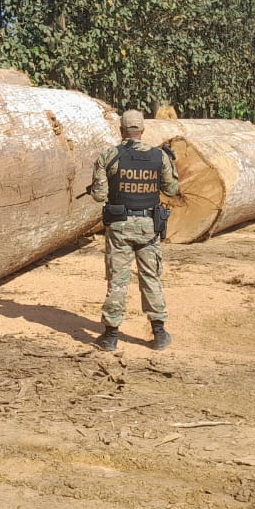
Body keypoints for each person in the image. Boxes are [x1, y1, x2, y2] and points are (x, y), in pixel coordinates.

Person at [88, 109, 179, 351]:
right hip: (149, 226)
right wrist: (172, 163)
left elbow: (99, 196)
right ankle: (159, 333)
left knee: (117, 280)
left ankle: (110, 336)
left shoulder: (109, 156)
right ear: (142, 131)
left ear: (121, 131)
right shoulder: (159, 157)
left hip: (119, 227)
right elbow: (171, 190)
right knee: (151, 276)